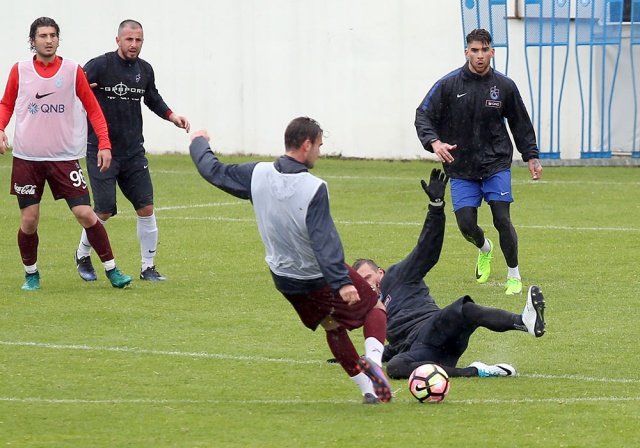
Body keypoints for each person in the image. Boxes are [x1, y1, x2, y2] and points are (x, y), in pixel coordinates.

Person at [189, 117, 392, 404]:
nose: (319, 152)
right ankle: (374, 361)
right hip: (317, 275)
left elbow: (213, 171)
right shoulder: (314, 187)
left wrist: (199, 142)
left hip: (284, 279)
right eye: (319, 145)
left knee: (331, 325)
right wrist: (342, 281)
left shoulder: (257, 174)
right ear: (306, 145)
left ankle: (368, 391)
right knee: (374, 305)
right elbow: (324, 239)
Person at [352, 168, 546, 380]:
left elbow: (427, 250)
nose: (366, 285)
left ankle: (522, 321)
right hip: (425, 352)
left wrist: (435, 208)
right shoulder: (374, 310)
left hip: (436, 328)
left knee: (465, 309)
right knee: (395, 367)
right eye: (361, 283)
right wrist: (360, 356)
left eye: (368, 277)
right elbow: (396, 345)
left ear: (380, 272)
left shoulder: (397, 275)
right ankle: (477, 371)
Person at [0, 17, 132, 291]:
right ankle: (31, 274)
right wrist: (0, 128)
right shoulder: (20, 70)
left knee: (85, 213)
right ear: (32, 41)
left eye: (53, 35)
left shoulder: (72, 70)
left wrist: (104, 143)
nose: (49, 40)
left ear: (58, 39)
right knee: (29, 220)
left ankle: (112, 270)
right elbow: (6, 104)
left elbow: (92, 107)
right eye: (43, 36)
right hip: (27, 159)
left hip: (64, 158)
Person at [415, 28, 543, 295]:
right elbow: (423, 115)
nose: (480, 55)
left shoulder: (504, 86)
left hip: (496, 163)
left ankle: (514, 275)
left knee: (502, 219)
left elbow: (520, 122)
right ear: (466, 52)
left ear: (492, 52)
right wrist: (435, 142)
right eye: (474, 50)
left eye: (485, 50)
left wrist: (531, 155)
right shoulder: (448, 85)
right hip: (461, 167)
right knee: (466, 225)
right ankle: (485, 248)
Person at [75, 19, 190, 283]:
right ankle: (82, 255)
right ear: (118, 40)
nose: (133, 44)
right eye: (129, 39)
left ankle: (148, 267)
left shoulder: (145, 70)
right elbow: (74, 87)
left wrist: (172, 116)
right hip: (101, 149)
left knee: (146, 207)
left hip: (133, 152)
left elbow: (152, 98)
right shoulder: (100, 65)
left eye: (138, 40)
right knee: (103, 210)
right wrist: (81, 93)